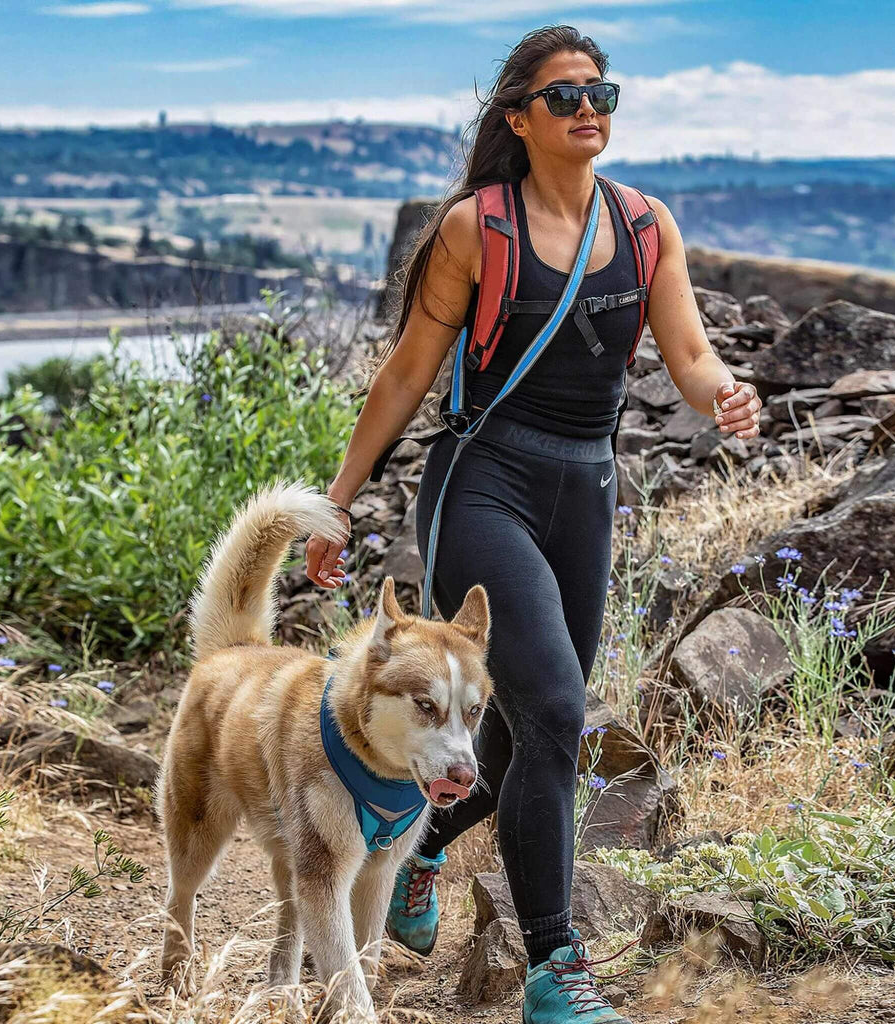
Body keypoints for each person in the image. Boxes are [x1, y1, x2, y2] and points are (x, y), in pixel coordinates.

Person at [305, 24, 762, 1024]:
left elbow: (689, 356)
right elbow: (405, 376)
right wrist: (338, 500)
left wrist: (726, 391)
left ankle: (418, 849)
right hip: (484, 486)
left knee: (522, 736)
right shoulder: (478, 229)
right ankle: (556, 969)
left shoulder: (645, 225)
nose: (588, 108)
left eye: (601, 92)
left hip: (585, 493)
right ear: (518, 117)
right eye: (564, 96)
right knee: (556, 710)